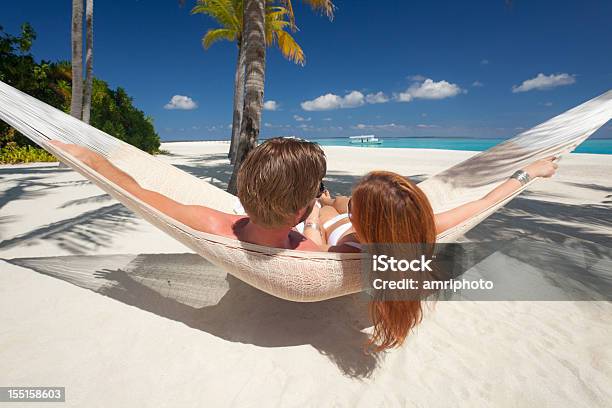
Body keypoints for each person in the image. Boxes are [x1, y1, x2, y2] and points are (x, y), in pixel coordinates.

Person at [311, 158, 558, 351]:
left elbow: (308, 249)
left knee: (328, 209)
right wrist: (529, 172)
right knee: (342, 200)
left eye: (358, 205)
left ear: (366, 221)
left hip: (337, 227)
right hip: (361, 224)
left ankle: (326, 201)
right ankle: (335, 199)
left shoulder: (343, 253)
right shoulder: (419, 229)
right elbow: (486, 202)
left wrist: (313, 218)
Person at [50, 137, 327, 250]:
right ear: (298, 212)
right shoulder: (309, 254)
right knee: (333, 208)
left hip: (280, 217)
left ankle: (320, 204)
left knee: (327, 206)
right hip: (307, 227)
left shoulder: (210, 223)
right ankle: (323, 206)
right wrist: (314, 218)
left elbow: (135, 191)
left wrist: (91, 160)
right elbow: (367, 268)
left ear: (243, 197)